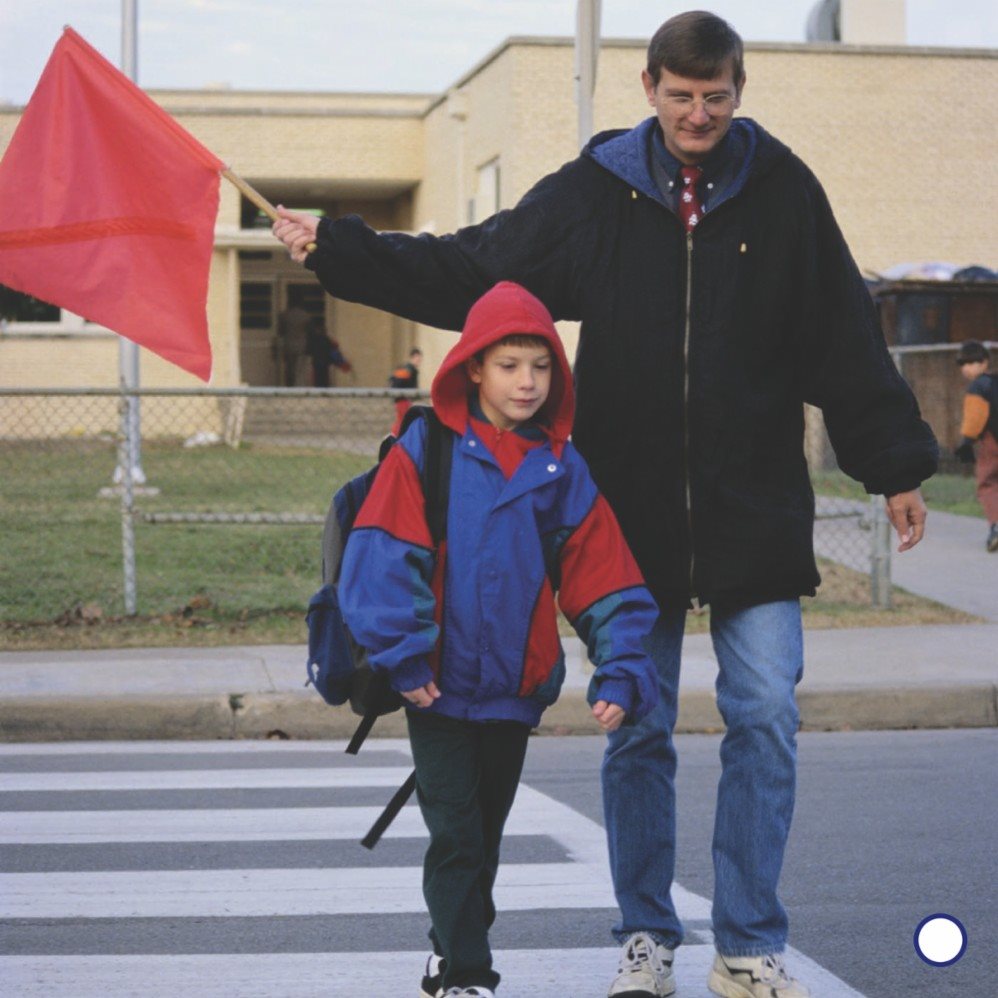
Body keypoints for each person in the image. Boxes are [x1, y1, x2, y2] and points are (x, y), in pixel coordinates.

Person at [273, 12, 939, 996]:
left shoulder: (783, 191)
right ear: (648, 88)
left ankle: (748, 942)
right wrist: (339, 249)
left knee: (762, 710)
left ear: (738, 90)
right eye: (680, 98)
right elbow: (473, 266)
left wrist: (892, 463)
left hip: (751, 500)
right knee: (638, 723)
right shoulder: (598, 194)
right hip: (625, 512)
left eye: (715, 98)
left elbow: (840, 329)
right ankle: (645, 935)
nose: (697, 115)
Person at [338, 281, 660, 998]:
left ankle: (446, 945)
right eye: (510, 364)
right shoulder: (428, 449)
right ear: (473, 369)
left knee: (481, 838)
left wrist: (621, 665)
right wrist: (404, 654)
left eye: (542, 367)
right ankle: (468, 974)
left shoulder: (559, 468)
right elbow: (383, 552)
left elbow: (601, 571)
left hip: (515, 690)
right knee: (455, 835)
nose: (527, 381)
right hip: (436, 684)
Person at [954, 340, 998, 552]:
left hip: (991, 442)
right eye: (963, 364)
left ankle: (996, 527)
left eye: (972, 363)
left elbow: (975, 418)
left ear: (984, 363)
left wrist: (966, 443)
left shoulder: (978, 387)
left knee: (988, 483)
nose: (967, 368)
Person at [305, 314, 351, 387]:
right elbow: (334, 352)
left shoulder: (315, 340)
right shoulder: (325, 340)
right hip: (323, 364)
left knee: (319, 382)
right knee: (322, 382)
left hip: (319, 364)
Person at [389, 346, 423, 433]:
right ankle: (395, 434)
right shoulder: (409, 370)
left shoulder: (408, 369)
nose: (419, 361)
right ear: (413, 357)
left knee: (402, 420)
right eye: (418, 358)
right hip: (403, 399)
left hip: (402, 399)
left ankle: (395, 434)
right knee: (403, 420)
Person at [275, 299, 310, 386]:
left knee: (289, 367)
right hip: (301, 344)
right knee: (299, 368)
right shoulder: (305, 315)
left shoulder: (285, 315)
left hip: (289, 344)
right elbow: (310, 331)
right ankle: (298, 386)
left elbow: (280, 331)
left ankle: (289, 386)